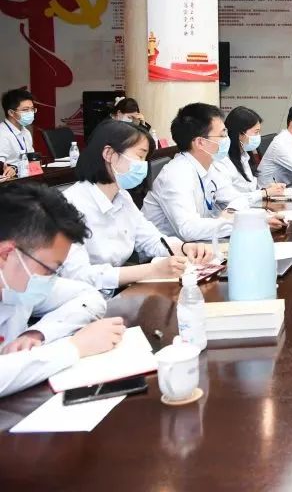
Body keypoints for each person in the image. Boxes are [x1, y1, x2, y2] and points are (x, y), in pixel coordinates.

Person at [0, 184, 126, 397]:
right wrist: (74, 347)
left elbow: (89, 297)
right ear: (6, 254)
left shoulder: (18, 284)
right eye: (49, 269)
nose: (50, 278)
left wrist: (39, 333)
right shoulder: (21, 278)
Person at [60, 121, 212, 293]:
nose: (143, 165)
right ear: (109, 154)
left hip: (116, 292)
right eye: (140, 156)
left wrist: (185, 248)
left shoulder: (122, 196)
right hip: (81, 299)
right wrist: (151, 270)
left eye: (146, 159)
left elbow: (151, 240)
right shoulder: (70, 205)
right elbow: (78, 275)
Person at [142, 103, 236, 241]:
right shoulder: (176, 174)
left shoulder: (209, 165)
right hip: (167, 250)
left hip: (198, 244)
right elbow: (188, 229)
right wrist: (235, 222)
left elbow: (235, 199)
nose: (227, 139)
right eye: (222, 135)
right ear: (200, 142)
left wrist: (232, 215)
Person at [217, 107, 286, 228]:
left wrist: (266, 189)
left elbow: (248, 191)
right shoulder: (222, 161)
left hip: (249, 213)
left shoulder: (244, 155)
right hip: (231, 221)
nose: (258, 136)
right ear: (240, 133)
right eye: (256, 132)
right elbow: (229, 199)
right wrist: (263, 193)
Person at [0, 88, 36, 166]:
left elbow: (32, 160)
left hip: (26, 172)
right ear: (11, 112)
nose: (30, 113)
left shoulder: (26, 132)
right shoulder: (2, 134)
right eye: (25, 109)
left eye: (32, 109)